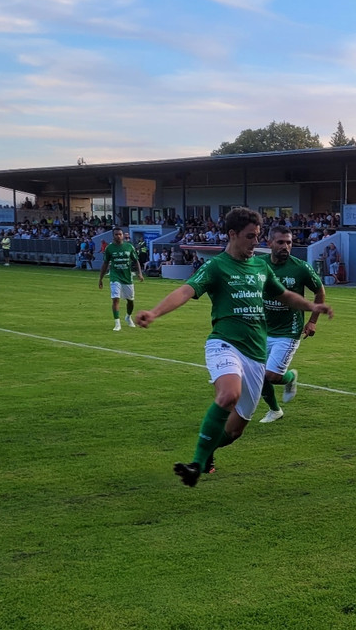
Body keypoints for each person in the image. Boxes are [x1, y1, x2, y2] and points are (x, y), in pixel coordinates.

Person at [135, 207, 334, 487]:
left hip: (255, 352)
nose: (256, 243)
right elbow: (186, 290)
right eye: (250, 237)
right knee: (229, 394)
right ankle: (195, 465)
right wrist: (155, 312)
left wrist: (312, 306)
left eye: (258, 236)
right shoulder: (216, 266)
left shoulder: (260, 266)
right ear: (232, 234)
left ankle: (208, 454)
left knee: (235, 430)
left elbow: (286, 295)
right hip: (224, 342)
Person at [255, 225, 326, 425]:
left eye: (289, 242)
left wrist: (312, 321)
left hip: (289, 330)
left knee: (270, 375)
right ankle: (275, 410)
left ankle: (289, 377)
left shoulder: (300, 267)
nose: (285, 246)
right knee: (257, 374)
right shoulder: (257, 264)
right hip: (262, 329)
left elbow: (320, 292)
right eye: (280, 242)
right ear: (269, 243)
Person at [98, 228, 144, 331]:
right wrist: (100, 279)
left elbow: (136, 261)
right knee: (115, 298)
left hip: (127, 277)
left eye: (120, 234)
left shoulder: (129, 247)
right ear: (113, 236)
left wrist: (140, 274)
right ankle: (117, 323)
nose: (118, 236)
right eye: (116, 234)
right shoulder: (109, 248)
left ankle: (128, 316)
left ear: (123, 235)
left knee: (130, 301)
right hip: (115, 276)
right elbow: (105, 264)